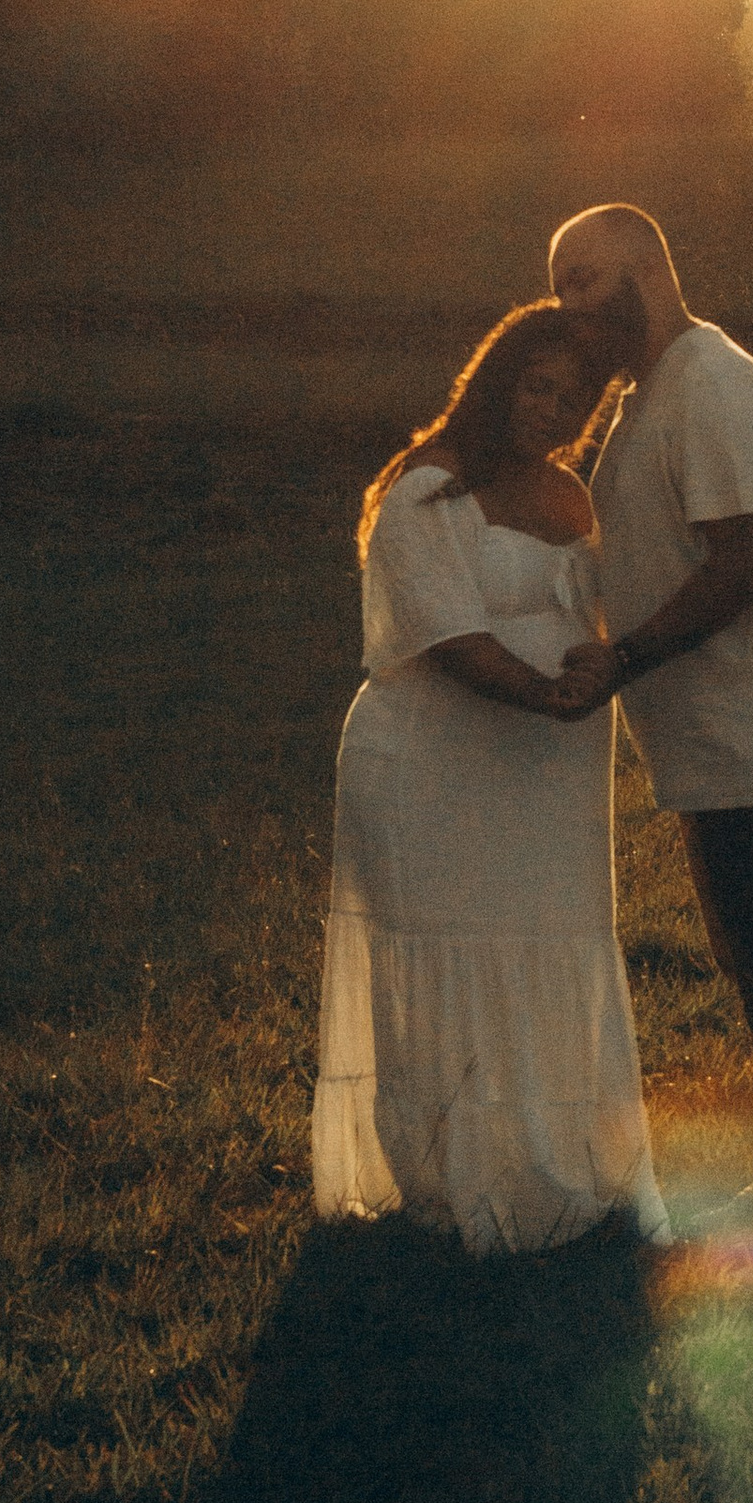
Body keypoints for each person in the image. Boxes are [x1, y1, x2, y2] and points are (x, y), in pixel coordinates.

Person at [550, 202, 753, 1268]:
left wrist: (627, 659)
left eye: (590, 280)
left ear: (653, 265)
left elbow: (746, 563)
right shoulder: (654, 392)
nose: (574, 308)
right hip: (727, 751)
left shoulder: (714, 385)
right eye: (560, 287)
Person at [313, 300, 665, 1253]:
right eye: (536, 385)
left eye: (574, 396)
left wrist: (607, 669)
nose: (552, 408)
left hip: (549, 774)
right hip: (436, 762)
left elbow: (607, 618)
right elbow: (449, 637)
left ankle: (557, 1159)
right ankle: (452, 1170)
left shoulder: (573, 499)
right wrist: (548, 698)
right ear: (494, 379)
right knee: (449, 948)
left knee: (553, 939)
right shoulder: (427, 485)